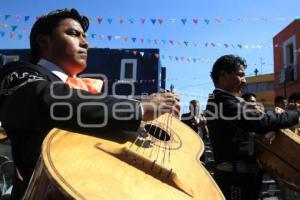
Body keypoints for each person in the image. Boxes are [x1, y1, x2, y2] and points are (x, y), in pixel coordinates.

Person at [0, 8, 180, 199]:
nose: (85, 43)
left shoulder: (90, 94)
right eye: (73, 34)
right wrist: (139, 108)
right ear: (44, 41)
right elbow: (45, 99)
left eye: (85, 36)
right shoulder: (17, 72)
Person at [205, 54, 299, 200]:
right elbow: (260, 123)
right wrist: (294, 114)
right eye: (240, 75)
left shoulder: (229, 101)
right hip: (235, 181)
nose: (245, 80)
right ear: (223, 75)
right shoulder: (221, 101)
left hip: (244, 178)